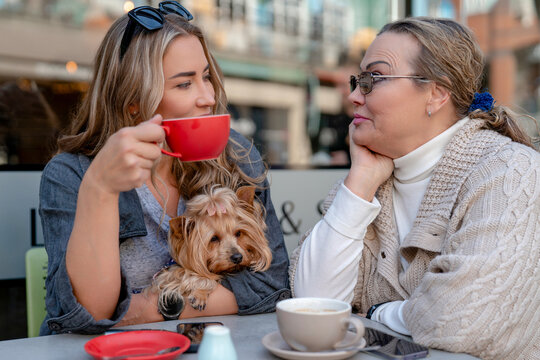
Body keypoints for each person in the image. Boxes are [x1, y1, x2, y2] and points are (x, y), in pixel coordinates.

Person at [289, 17, 540, 360]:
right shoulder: (373, 177)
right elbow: (310, 305)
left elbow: (462, 320)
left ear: (436, 93)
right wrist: (360, 179)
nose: (353, 96)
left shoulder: (511, 172)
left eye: (372, 79)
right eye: (357, 80)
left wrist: (379, 313)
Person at [39, 1, 290, 336]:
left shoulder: (236, 156)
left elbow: (272, 285)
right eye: (184, 84)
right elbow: (88, 318)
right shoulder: (72, 175)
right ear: (133, 100)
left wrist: (157, 305)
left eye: (206, 77)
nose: (207, 97)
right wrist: (100, 187)